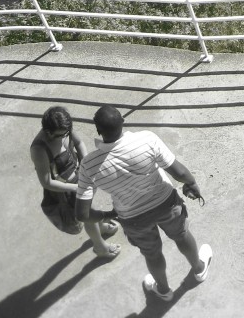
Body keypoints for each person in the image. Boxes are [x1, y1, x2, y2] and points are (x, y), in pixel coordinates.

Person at [76, 104, 212, 302]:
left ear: (98, 130)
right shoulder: (146, 139)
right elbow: (179, 172)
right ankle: (199, 270)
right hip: (166, 203)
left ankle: (164, 290)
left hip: (132, 219)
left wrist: (108, 215)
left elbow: (81, 214)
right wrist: (191, 183)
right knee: (182, 236)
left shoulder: (88, 165)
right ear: (122, 122)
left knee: (153, 254)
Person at [30, 105, 120, 259]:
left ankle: (102, 227)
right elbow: (46, 182)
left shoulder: (65, 129)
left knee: (91, 206)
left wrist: (86, 164)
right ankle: (100, 247)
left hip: (80, 178)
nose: (63, 137)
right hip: (65, 190)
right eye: (59, 136)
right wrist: (76, 188)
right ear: (47, 131)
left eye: (65, 133)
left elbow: (79, 143)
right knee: (88, 216)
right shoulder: (39, 149)